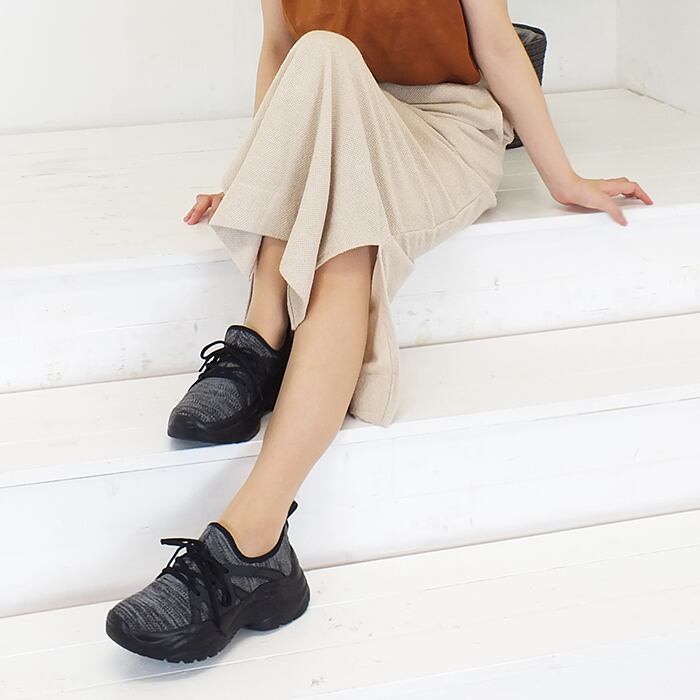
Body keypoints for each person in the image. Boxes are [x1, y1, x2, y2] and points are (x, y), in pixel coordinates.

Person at [105, 0, 653, 663]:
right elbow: (279, 49)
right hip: (329, 116)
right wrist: (258, 172)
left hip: (441, 131)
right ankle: (263, 339)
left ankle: (252, 529)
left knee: (345, 236)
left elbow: (498, 46)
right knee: (319, 52)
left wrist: (562, 179)